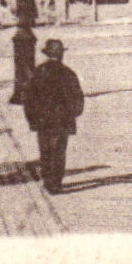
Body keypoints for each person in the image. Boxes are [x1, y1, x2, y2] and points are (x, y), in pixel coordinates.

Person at [22, 38, 84, 193]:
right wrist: (73, 114)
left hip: (43, 120)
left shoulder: (38, 72)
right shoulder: (69, 73)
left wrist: (31, 118)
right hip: (62, 120)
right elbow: (78, 98)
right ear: (61, 54)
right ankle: (56, 183)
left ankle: (47, 180)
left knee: (45, 150)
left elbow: (28, 98)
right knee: (59, 151)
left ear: (47, 54)